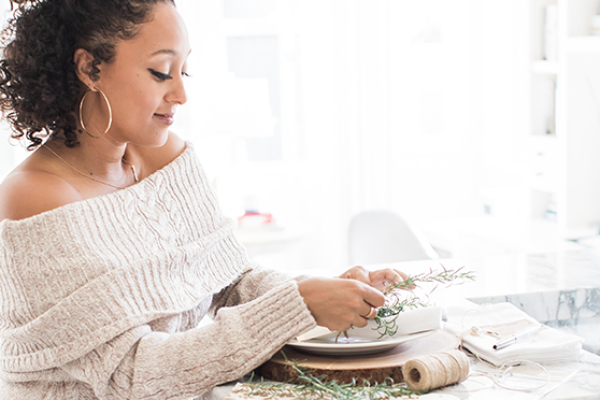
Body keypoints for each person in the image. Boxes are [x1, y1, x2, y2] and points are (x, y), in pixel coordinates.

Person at [0, 1, 409, 399]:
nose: (180, 93)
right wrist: (299, 304)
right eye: (161, 72)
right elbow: (132, 376)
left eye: (184, 70)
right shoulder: (34, 197)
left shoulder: (163, 156)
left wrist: (325, 292)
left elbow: (228, 281)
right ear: (91, 68)